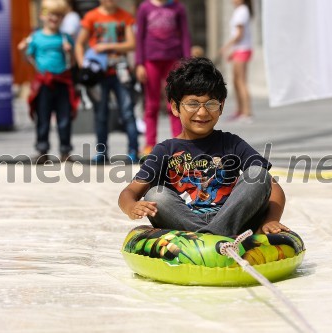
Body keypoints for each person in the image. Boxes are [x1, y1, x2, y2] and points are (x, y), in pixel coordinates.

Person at [118, 57, 289, 237]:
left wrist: (271, 219)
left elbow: (273, 188)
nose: (202, 112)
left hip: (232, 218)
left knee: (258, 174)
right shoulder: (164, 150)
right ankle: (215, 236)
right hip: (185, 220)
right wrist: (131, 206)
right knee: (155, 195)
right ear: (175, 107)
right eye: (192, 104)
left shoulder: (232, 143)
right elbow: (129, 192)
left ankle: (211, 234)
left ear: (221, 106)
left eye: (211, 104)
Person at [75, 0, 139, 164]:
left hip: (120, 71)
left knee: (127, 112)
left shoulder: (125, 16)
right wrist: (84, 66)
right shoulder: (91, 16)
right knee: (100, 114)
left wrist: (107, 46)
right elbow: (79, 44)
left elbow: (132, 44)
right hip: (99, 73)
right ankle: (101, 152)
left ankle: (133, 150)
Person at [19, 0, 78, 163]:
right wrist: (24, 51)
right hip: (43, 83)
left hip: (62, 82)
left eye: (58, 15)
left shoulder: (65, 37)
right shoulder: (36, 37)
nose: (54, 18)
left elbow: (72, 63)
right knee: (42, 117)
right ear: (43, 16)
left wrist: (70, 51)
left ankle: (65, 151)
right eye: (51, 14)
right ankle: (42, 150)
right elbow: (27, 59)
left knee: (64, 118)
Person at [135, 0, 191, 158]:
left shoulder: (178, 7)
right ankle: (150, 144)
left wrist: (186, 62)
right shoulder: (145, 8)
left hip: (173, 59)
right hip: (150, 60)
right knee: (151, 104)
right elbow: (139, 37)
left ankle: (180, 144)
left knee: (173, 103)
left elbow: (185, 35)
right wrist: (139, 63)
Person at [220, 0, 254, 123]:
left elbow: (239, 34)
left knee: (241, 81)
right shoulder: (240, 11)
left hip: (242, 49)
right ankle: (239, 111)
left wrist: (226, 47)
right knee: (236, 81)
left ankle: (247, 112)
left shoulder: (242, 10)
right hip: (239, 49)